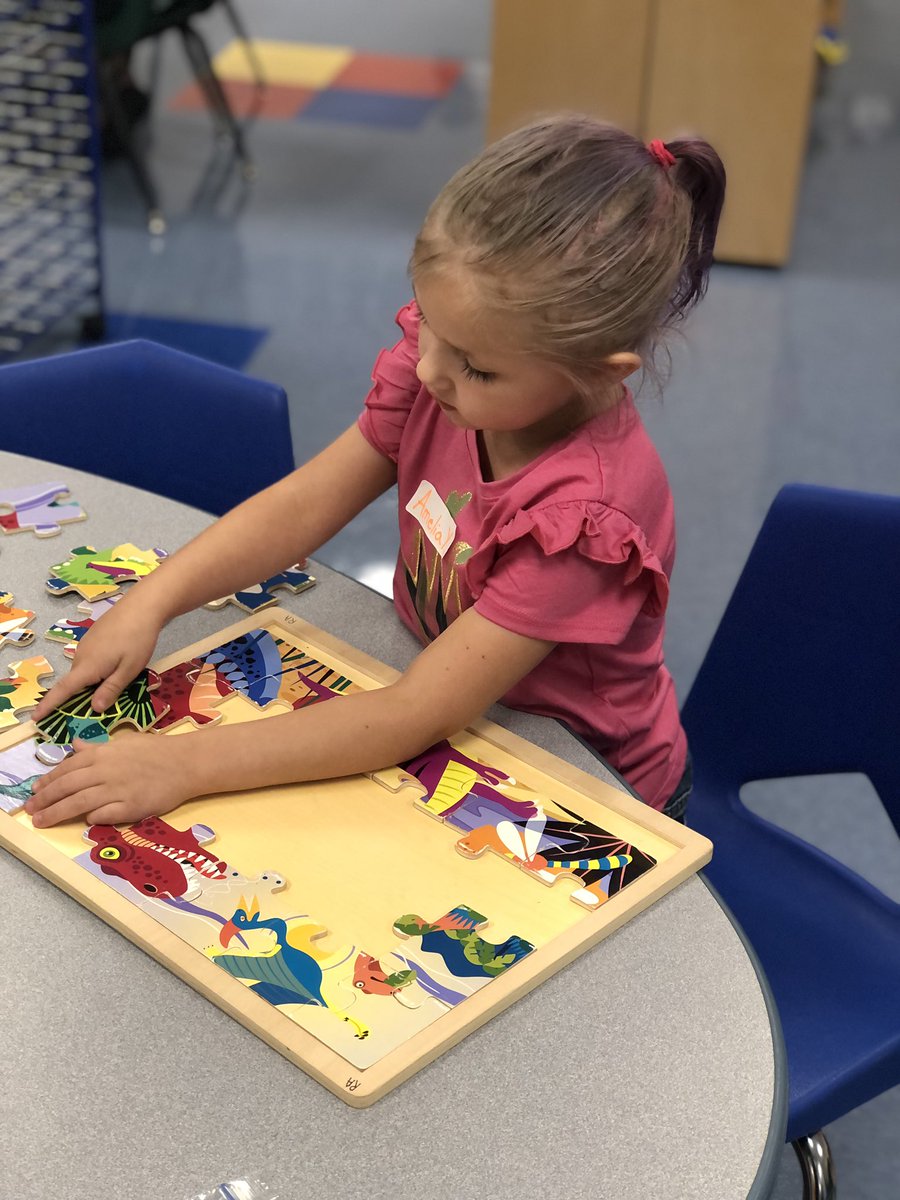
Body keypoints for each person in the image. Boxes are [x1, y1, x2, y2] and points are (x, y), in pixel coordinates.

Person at [27, 114, 725, 831]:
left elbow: (411, 714)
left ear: (597, 372)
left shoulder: (586, 517)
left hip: (588, 788)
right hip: (456, 715)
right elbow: (302, 506)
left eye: (476, 367)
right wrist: (150, 600)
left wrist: (180, 764)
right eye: (427, 324)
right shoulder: (445, 373)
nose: (429, 371)